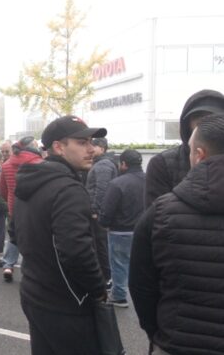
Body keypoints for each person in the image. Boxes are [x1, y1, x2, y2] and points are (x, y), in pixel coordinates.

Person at [15, 115, 108, 355]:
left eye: (91, 142)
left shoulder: (30, 181)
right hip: (66, 303)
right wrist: (98, 287)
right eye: (82, 142)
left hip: (34, 292)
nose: (91, 149)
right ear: (58, 147)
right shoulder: (68, 189)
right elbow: (76, 251)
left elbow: (14, 232)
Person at [132, 114, 224, 354]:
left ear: (199, 155)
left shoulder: (159, 212)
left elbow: (142, 287)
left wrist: (158, 334)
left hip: (177, 343)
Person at [145, 89, 224, 207]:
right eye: (199, 118)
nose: (206, 124)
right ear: (187, 123)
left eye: (214, 117)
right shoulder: (161, 164)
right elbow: (154, 218)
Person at [98, 149, 145, 308]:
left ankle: (119, 296)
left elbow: (108, 209)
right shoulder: (150, 180)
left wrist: (103, 223)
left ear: (123, 164)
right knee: (141, 265)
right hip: (143, 230)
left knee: (119, 264)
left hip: (120, 231)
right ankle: (144, 296)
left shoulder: (118, 183)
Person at [0, 136, 43, 282]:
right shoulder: (38, 163)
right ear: (31, 147)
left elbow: (2, 189)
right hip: (33, 208)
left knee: (13, 236)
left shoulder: (6, 165)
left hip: (14, 207)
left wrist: (9, 200)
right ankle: (29, 269)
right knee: (31, 238)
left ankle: (8, 265)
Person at [85, 137, 117, 285]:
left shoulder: (103, 165)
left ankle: (106, 277)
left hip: (98, 213)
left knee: (101, 245)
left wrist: (95, 210)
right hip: (98, 211)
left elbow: (102, 190)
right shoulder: (100, 163)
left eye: (94, 146)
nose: (90, 149)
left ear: (102, 148)